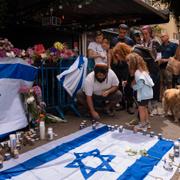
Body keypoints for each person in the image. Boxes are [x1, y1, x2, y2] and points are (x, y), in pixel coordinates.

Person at [126, 52, 154, 131]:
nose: (127, 63)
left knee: (141, 109)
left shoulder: (137, 72)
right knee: (144, 108)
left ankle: (142, 125)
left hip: (143, 94)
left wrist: (133, 87)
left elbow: (140, 84)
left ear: (132, 63)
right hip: (148, 93)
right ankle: (147, 123)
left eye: (128, 61)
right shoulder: (143, 70)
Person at [112, 42, 135, 114]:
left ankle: (130, 105)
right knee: (119, 86)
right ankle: (122, 104)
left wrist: (127, 79)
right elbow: (114, 64)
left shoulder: (130, 56)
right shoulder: (116, 55)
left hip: (126, 69)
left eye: (118, 54)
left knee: (128, 87)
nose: (116, 55)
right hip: (118, 68)